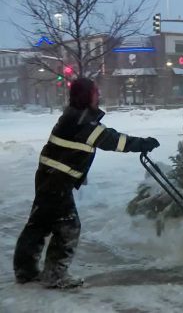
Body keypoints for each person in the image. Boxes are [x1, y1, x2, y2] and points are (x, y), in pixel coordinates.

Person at [13, 78, 160, 289]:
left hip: (48, 177)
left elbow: (104, 136)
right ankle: (54, 275)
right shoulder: (82, 121)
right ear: (87, 95)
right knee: (68, 226)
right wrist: (143, 143)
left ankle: (25, 271)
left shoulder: (74, 115)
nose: (98, 95)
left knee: (40, 223)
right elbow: (112, 141)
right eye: (95, 92)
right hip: (57, 181)